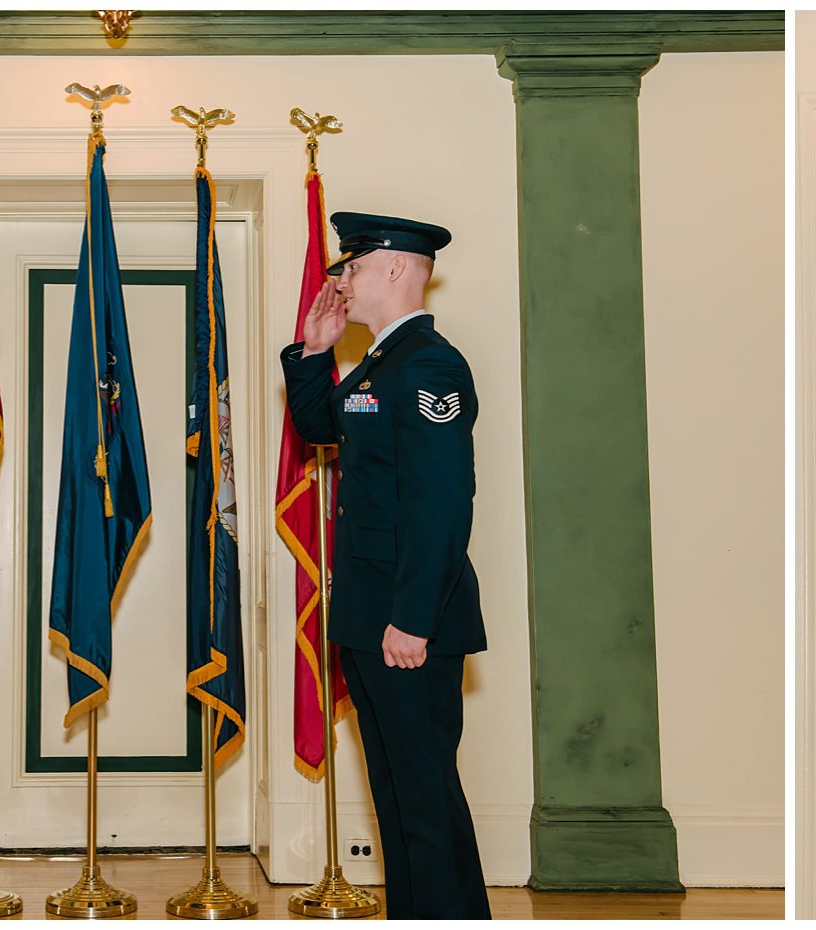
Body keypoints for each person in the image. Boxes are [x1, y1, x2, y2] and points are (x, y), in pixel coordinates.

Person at [280, 212, 490, 919]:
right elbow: (319, 428)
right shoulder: (379, 364)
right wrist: (315, 352)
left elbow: (442, 505)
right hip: (374, 618)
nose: (341, 278)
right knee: (398, 796)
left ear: (396, 268)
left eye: (354, 265)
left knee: (424, 798)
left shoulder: (429, 365)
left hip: (409, 622)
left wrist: (413, 618)